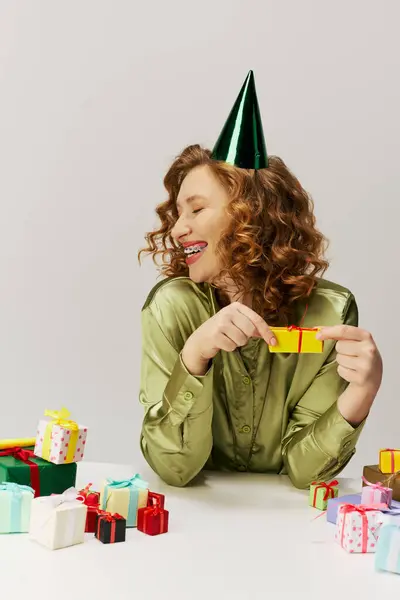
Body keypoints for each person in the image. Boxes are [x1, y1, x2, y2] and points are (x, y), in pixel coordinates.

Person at [138, 71, 383, 488]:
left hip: (287, 532)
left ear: (253, 214)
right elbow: (175, 469)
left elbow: (305, 472)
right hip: (194, 526)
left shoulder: (330, 311)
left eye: (195, 210)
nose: (178, 230)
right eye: (178, 214)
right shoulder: (171, 306)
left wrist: (360, 397)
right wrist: (194, 357)